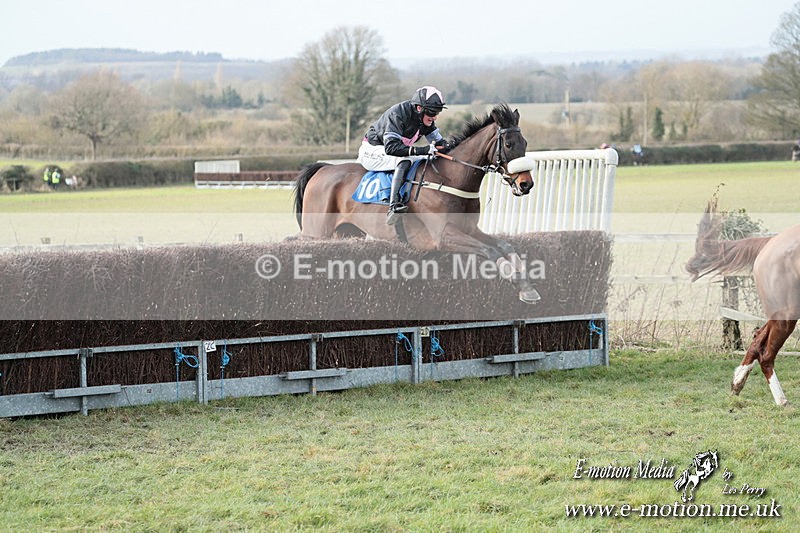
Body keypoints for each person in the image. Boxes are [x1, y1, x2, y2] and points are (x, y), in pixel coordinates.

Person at [358, 86, 452, 225]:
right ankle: (394, 206)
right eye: (432, 112)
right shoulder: (398, 114)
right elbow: (391, 148)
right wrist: (422, 150)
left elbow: (441, 143)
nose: (435, 117)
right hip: (372, 150)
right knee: (405, 160)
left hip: (391, 151)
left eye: (437, 112)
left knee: (427, 159)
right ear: (419, 108)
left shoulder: (425, 120)